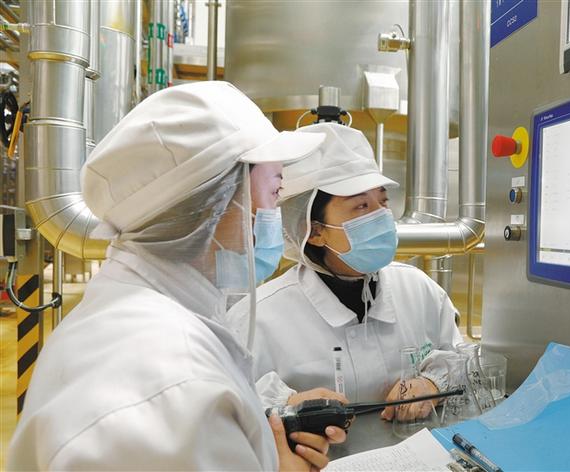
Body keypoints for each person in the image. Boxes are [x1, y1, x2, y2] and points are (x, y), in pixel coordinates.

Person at [7, 82, 345, 471]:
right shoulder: (174, 393)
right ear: (219, 202)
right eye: (274, 192)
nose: (275, 215)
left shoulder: (136, 308)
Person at [229, 122, 463, 421]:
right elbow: (230, 403)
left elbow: (463, 359)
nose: (382, 216)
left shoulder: (418, 289)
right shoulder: (257, 318)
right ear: (314, 231)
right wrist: (288, 407)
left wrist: (432, 383)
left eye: (383, 201)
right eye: (361, 206)